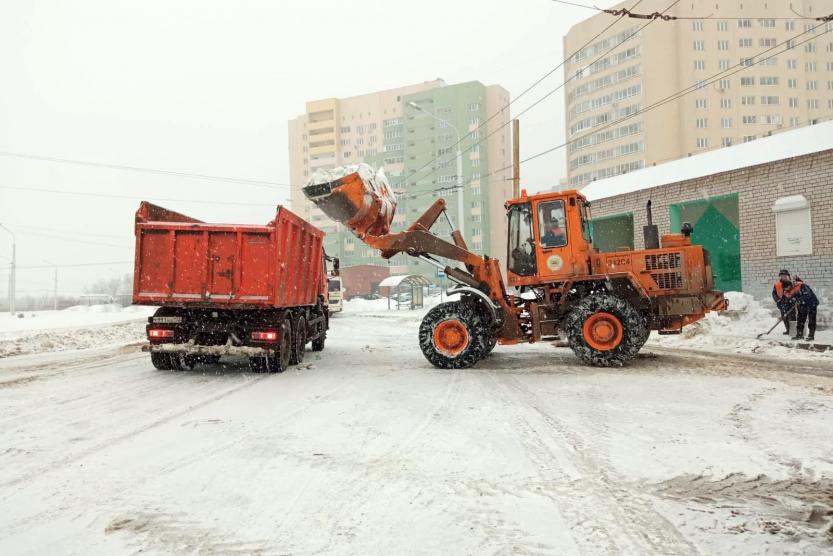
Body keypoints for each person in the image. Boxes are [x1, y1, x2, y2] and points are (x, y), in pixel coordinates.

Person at [791, 274, 819, 342]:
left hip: (811, 304)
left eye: (794, 281)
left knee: (811, 320)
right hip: (802, 305)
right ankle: (799, 334)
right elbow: (794, 297)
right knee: (800, 319)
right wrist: (794, 300)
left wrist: (799, 300)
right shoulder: (793, 288)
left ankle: (811, 336)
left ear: (797, 281)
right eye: (792, 281)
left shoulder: (803, 285)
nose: (793, 282)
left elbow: (807, 294)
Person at [771, 269, 799, 335]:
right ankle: (788, 330)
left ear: (787, 276)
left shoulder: (791, 283)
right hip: (781, 303)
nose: (783, 277)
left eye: (784, 275)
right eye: (781, 275)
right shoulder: (777, 284)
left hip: (790, 303)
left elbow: (796, 291)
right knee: (784, 318)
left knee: (792, 317)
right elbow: (774, 293)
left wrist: (795, 300)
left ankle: (793, 331)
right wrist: (777, 300)